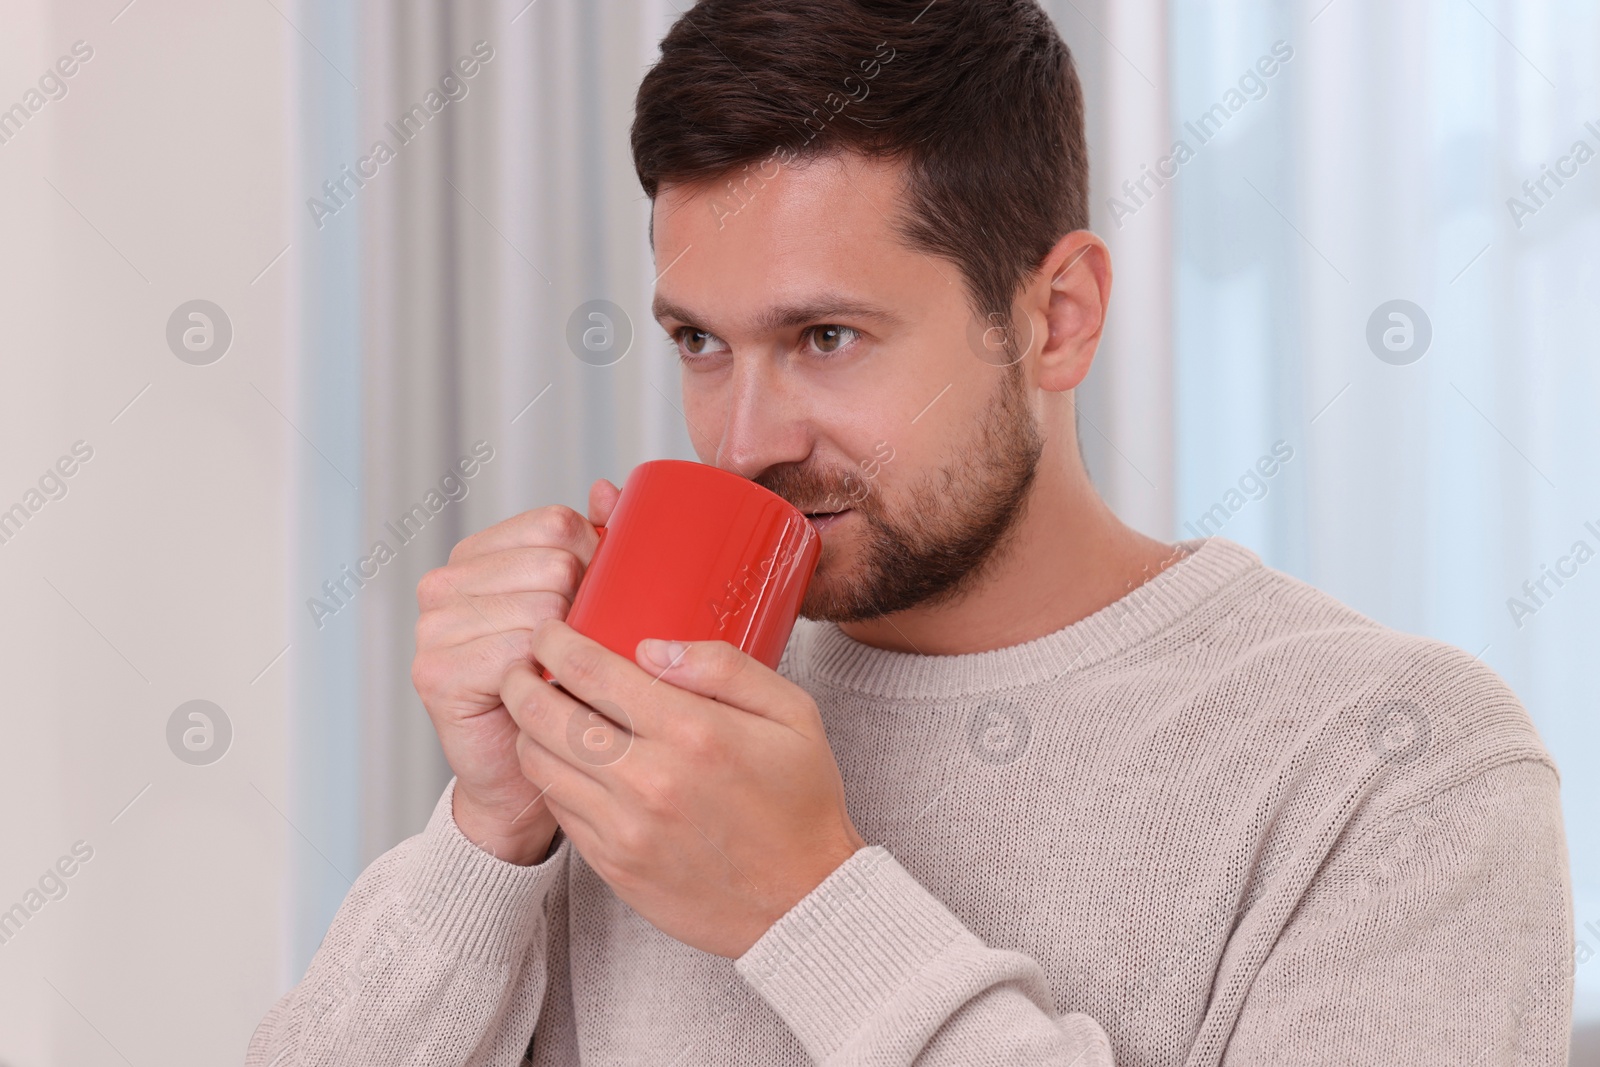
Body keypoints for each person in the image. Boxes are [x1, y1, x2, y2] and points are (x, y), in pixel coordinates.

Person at [246, 1, 1573, 1063]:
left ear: (1055, 319)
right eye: (700, 342)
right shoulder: (642, 738)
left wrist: (808, 910)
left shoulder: (1401, 767)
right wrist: (489, 833)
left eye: (828, 337)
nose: (744, 436)